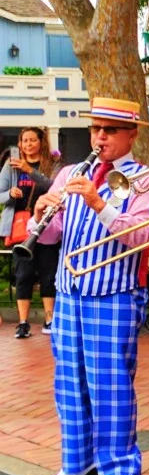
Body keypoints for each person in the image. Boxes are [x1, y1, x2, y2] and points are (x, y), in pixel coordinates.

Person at [41, 97, 149, 475]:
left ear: (131, 135)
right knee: (68, 382)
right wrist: (41, 216)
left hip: (113, 292)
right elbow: (53, 236)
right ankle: (78, 460)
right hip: (69, 291)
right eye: (96, 129)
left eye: (110, 130)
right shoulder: (70, 171)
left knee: (110, 383)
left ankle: (119, 468)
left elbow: (140, 235)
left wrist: (97, 203)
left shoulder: (146, 178)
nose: (100, 137)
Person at [1, 127, 58, 337]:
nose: (28, 144)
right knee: (23, 275)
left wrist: (29, 170)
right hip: (21, 230)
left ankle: (49, 319)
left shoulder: (51, 164)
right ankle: (23, 322)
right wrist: (9, 193)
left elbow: (53, 186)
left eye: (32, 140)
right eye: (24, 141)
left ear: (41, 142)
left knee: (48, 274)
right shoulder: (11, 166)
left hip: (49, 227)